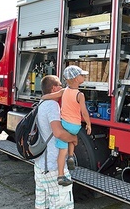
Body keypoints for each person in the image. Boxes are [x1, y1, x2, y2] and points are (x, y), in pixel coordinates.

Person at [42, 65, 92, 186]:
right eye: (82, 75)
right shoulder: (80, 95)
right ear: (76, 79)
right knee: (71, 139)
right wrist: (89, 124)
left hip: (65, 124)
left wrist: (43, 97)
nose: (84, 76)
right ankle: (71, 156)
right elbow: (84, 112)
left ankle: (60, 175)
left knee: (61, 151)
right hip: (75, 126)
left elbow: (51, 96)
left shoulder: (64, 91)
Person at [34, 75, 78, 209]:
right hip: (52, 166)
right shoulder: (52, 105)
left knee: (42, 204)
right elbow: (58, 132)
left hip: (40, 165)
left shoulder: (41, 103)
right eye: (60, 85)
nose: (62, 87)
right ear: (54, 88)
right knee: (62, 204)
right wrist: (73, 138)